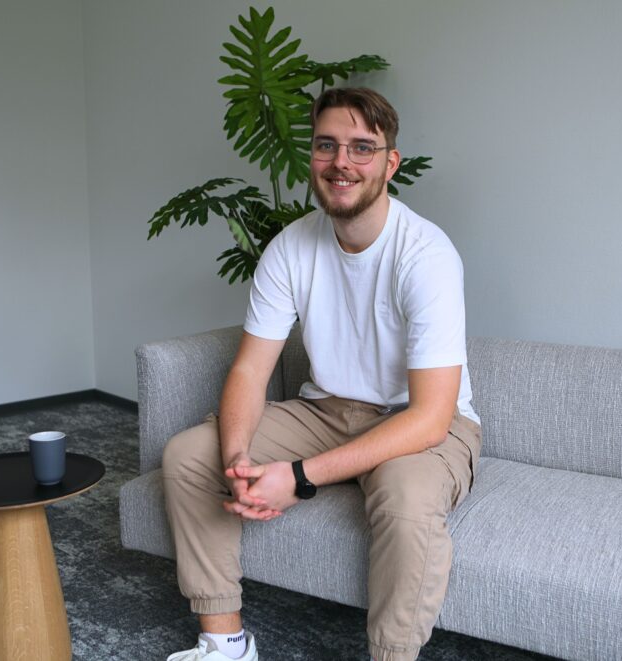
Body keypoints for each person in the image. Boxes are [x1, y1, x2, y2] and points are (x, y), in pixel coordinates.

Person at [162, 87, 481, 661]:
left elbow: (432, 416)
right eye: (327, 145)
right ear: (311, 156)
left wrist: (299, 478)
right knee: (190, 454)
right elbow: (251, 369)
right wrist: (237, 457)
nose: (342, 162)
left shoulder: (426, 255)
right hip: (325, 411)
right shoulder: (289, 249)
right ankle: (224, 643)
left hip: (416, 424)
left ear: (391, 163)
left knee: (407, 498)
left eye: (363, 148)